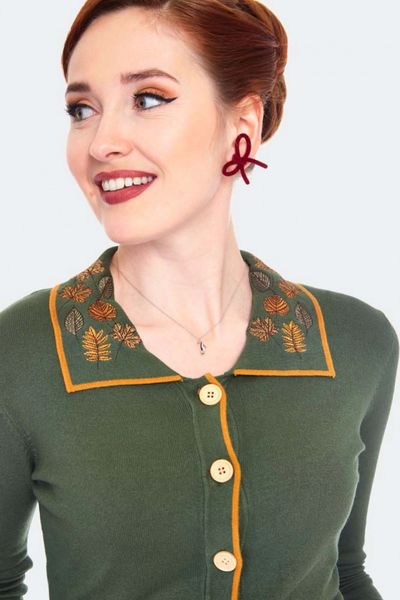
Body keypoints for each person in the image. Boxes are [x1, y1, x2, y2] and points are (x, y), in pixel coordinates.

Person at [0, 1, 398, 599]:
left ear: (244, 122)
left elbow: (346, 572)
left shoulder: (354, 341)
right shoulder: (21, 352)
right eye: (82, 110)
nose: (101, 142)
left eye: (148, 98)